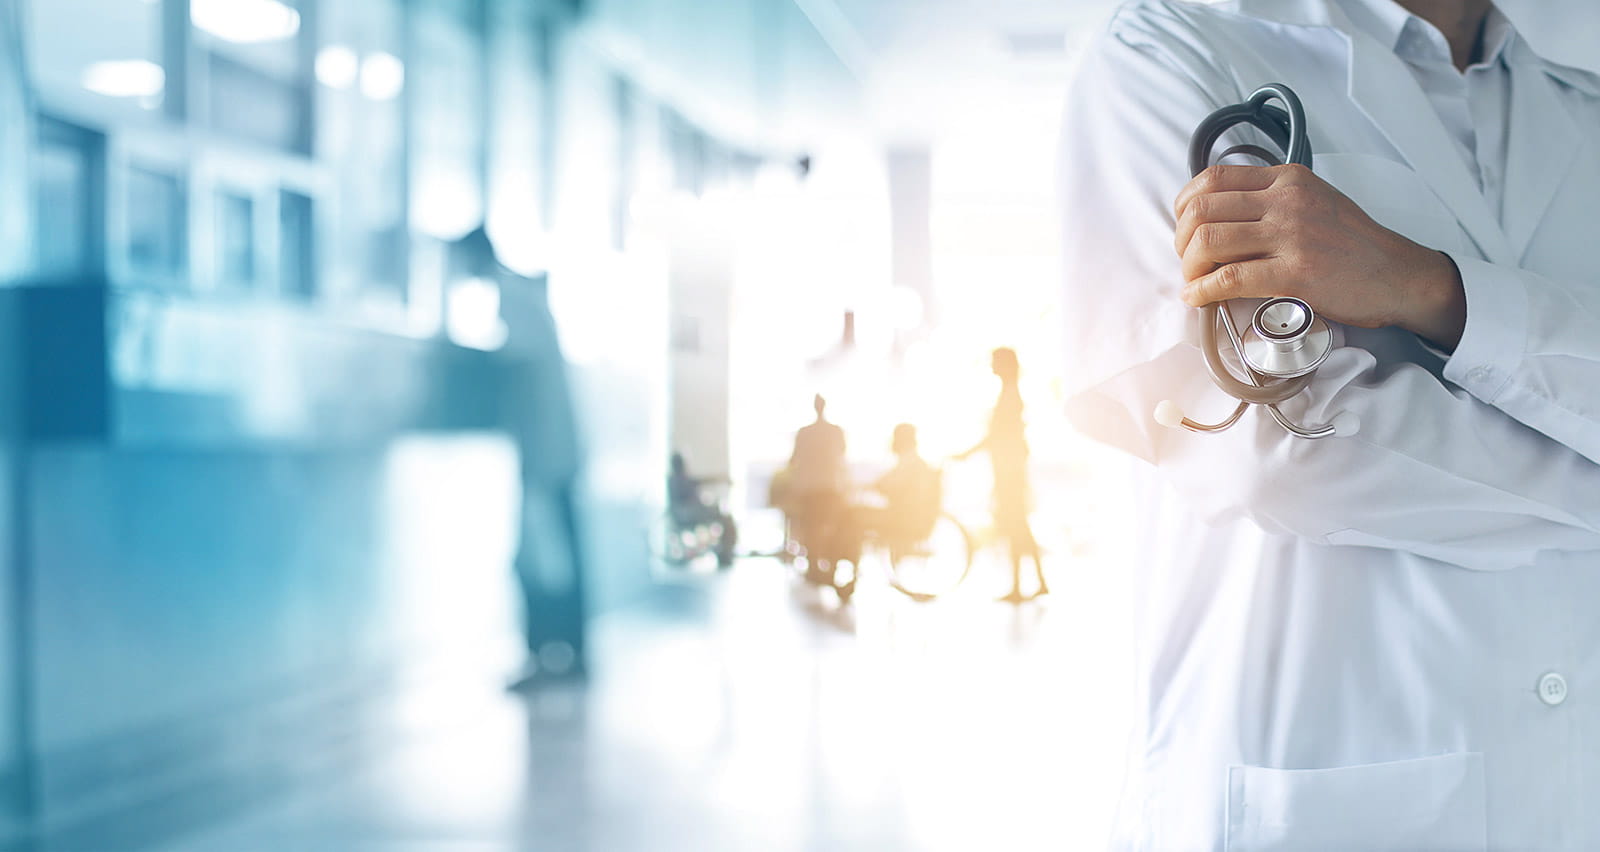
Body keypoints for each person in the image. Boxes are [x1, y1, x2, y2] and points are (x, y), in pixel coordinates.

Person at [1059, 0, 1600, 847]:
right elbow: (1271, 451)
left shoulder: (1582, 101)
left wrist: (1429, 288)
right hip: (1325, 789)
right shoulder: (1174, 47)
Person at [957, 348, 1046, 603]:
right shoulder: (1010, 394)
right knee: (1020, 528)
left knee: (1015, 527)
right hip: (1010, 473)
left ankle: (1021, 585)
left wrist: (966, 454)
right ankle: (1037, 582)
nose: (991, 366)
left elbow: (998, 436)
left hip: (1009, 474)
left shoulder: (1009, 397)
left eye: (994, 362)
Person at [784, 394, 849, 581]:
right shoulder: (836, 431)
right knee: (828, 526)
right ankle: (828, 563)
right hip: (829, 487)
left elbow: (794, 459)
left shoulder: (804, 433)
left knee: (811, 527)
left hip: (810, 488)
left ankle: (814, 566)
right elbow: (842, 455)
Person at [666, 452, 737, 567]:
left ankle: (724, 553)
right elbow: (701, 482)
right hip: (692, 515)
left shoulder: (674, 480)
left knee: (721, 514)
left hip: (687, 515)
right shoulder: (680, 480)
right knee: (725, 518)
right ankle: (725, 554)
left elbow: (701, 481)